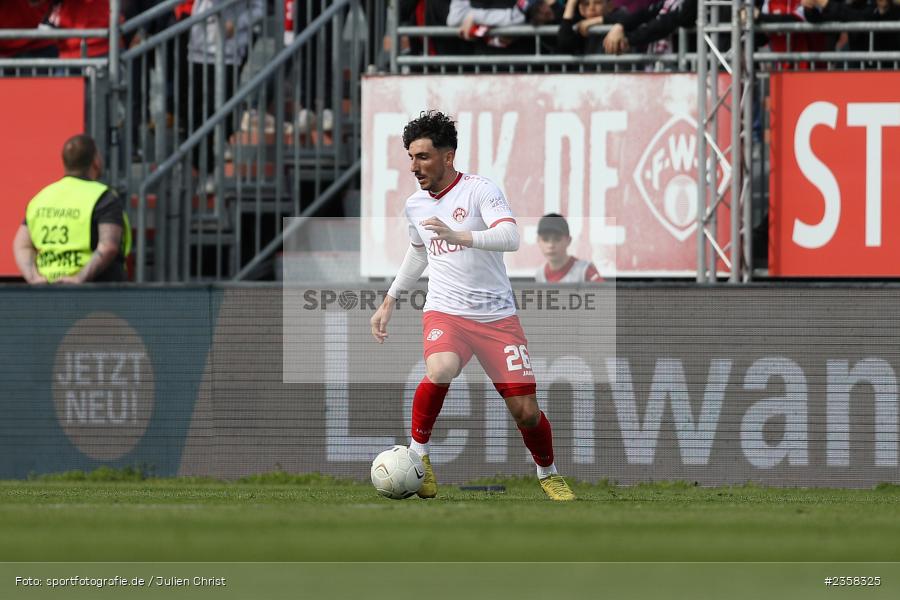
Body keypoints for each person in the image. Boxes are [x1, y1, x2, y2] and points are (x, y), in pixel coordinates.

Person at [369, 111, 575, 502]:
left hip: (497, 317)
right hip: (446, 311)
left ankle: (548, 473)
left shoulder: (480, 190)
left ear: (447, 157)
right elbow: (419, 252)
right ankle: (419, 455)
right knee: (441, 368)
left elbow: (510, 236)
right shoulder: (415, 205)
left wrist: (461, 236)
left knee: (526, 412)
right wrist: (390, 299)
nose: (414, 166)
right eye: (411, 157)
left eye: (422, 157)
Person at [13, 135, 131, 284]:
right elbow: (108, 246)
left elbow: (21, 245)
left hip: (48, 290)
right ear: (95, 161)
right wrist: (78, 278)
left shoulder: (41, 198)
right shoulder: (103, 197)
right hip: (96, 290)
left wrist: (34, 278)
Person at [535, 213, 602, 283]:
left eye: (557, 239)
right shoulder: (540, 274)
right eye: (545, 239)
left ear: (568, 240)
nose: (551, 245)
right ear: (538, 241)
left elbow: (604, 290)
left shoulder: (585, 270)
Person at [557, 0, 629, 55]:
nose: (591, 8)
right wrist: (571, 4)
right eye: (586, 3)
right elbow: (564, 45)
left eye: (598, 2)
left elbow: (629, 17)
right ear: (580, 8)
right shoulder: (577, 22)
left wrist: (598, 20)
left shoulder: (619, 15)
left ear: (609, 5)